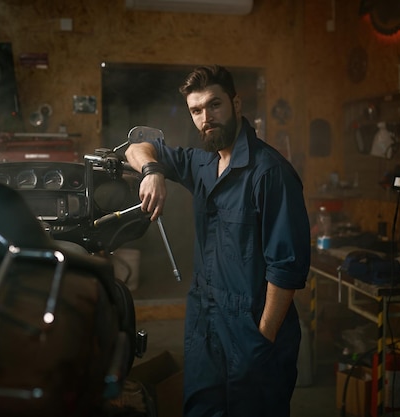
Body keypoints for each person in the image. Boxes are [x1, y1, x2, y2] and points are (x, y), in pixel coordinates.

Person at [125, 65, 311, 416]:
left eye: (214, 105)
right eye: (196, 110)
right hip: (205, 322)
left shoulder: (271, 173)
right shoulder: (202, 164)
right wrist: (152, 172)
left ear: (236, 104)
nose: (205, 117)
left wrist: (262, 339)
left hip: (252, 327)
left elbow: (285, 269)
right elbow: (136, 147)